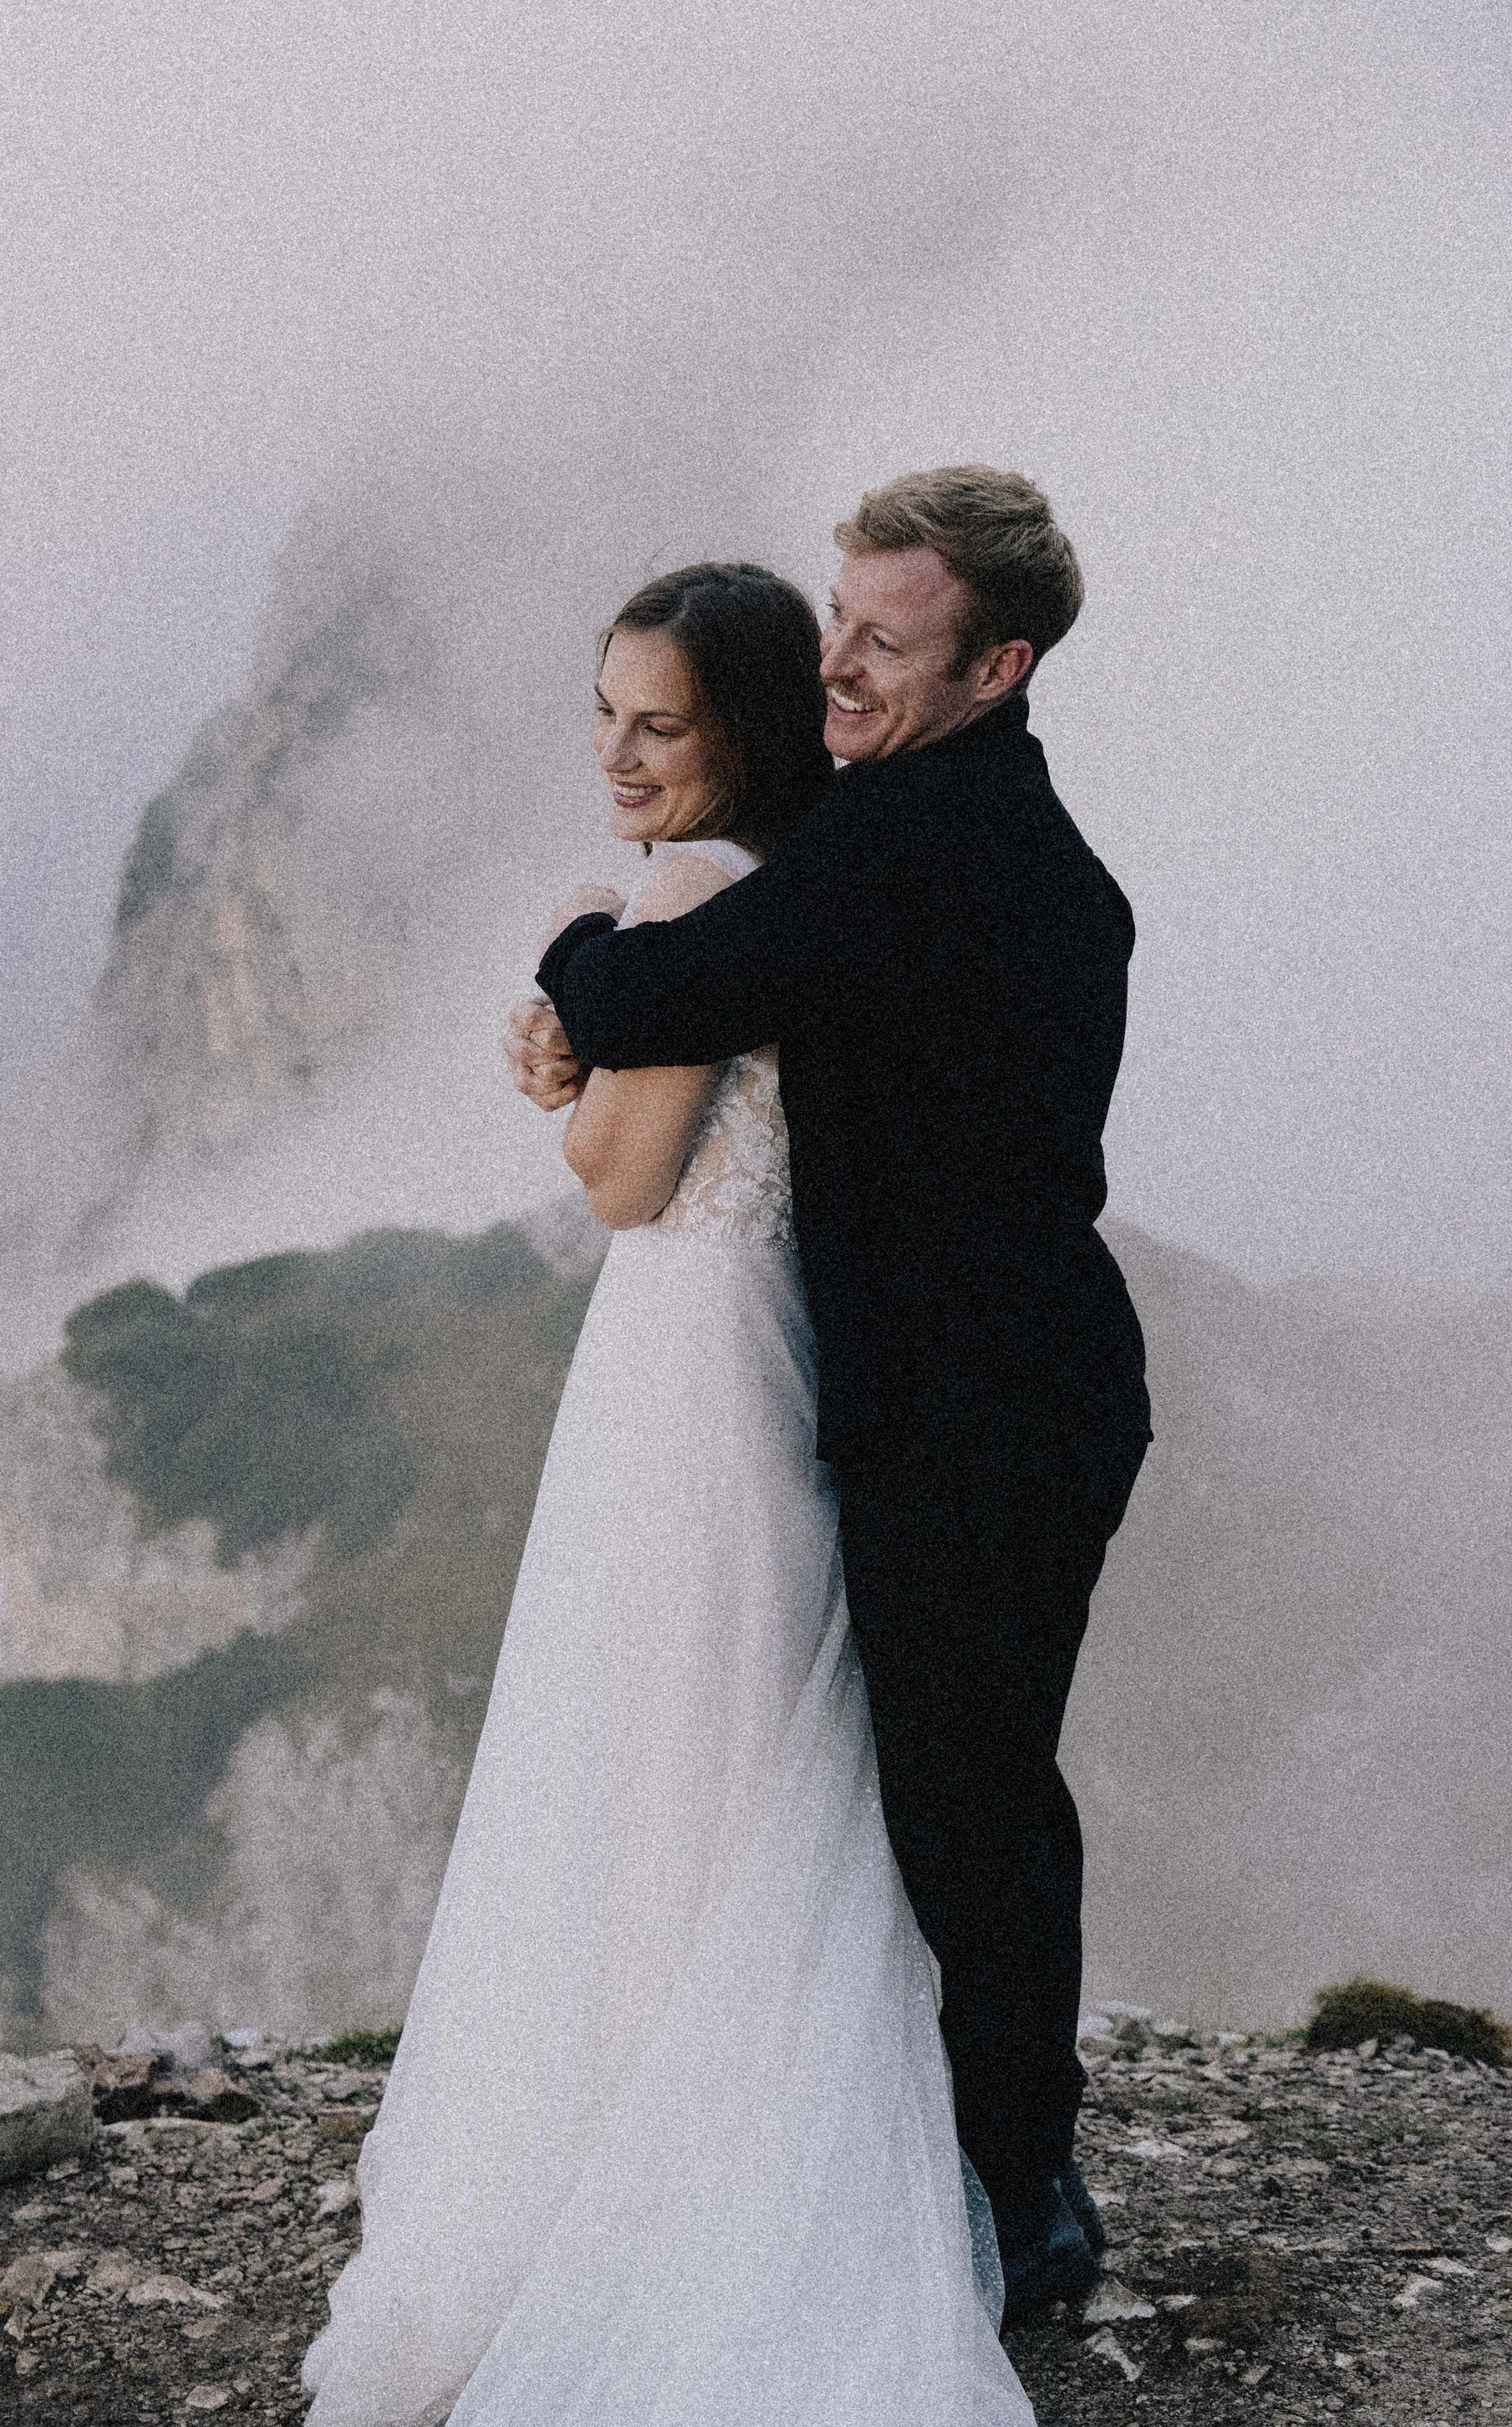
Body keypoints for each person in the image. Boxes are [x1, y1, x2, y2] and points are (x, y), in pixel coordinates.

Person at [187, 558, 1051, 2427]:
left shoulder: (683, 894)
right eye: (598, 716)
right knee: (740, 1771)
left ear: (740, 725)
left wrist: (563, 1050)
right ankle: (714, 2147)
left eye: (653, 720)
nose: (618, 755)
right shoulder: (787, 885)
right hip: (754, 1380)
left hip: (678, 1390)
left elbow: (627, 1179)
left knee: (646, 1756)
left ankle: (627, 2199)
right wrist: (585, 1020)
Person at [520, 467, 1149, 2317]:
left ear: (996, 661)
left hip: (983, 1406)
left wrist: (572, 946)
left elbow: (664, 993)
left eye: (883, 639)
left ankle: (1022, 2193)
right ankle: (971, 2151)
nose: (836, 661)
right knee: (954, 1785)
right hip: (987, 1376)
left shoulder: (918, 841)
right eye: (833, 618)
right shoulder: (940, 823)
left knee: (967, 1796)